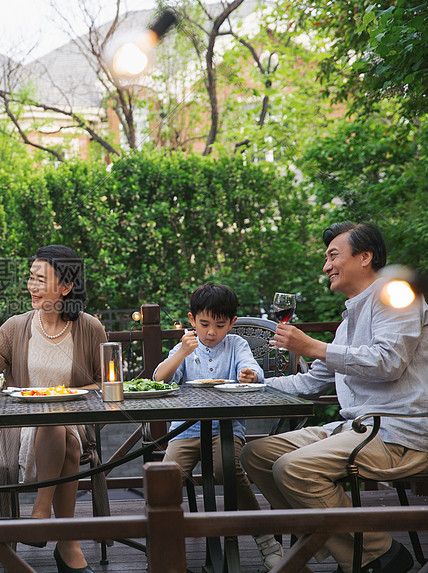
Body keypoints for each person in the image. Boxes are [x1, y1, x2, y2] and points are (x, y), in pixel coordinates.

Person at [241, 222, 428, 573]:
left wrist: (312, 346)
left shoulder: (397, 296)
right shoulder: (347, 323)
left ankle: (378, 554)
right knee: (257, 454)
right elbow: (313, 382)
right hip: (356, 428)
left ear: (364, 257)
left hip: (399, 432)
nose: (325, 266)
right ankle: (342, 546)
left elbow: (388, 363)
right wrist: (251, 387)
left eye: (332, 255)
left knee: (293, 468)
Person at [0, 245, 106, 573]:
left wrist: (64, 394)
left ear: (66, 286)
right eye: (30, 278)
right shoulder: (16, 327)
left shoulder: (89, 328)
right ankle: (66, 542)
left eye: (41, 279)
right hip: (19, 425)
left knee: (56, 420)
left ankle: (41, 516)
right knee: (53, 424)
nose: (32, 285)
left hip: (73, 420)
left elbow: (105, 382)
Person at [153, 283, 284, 570]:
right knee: (164, 479)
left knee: (227, 468)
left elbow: (252, 370)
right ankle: (164, 549)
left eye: (220, 325)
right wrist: (180, 354)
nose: (211, 332)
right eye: (204, 324)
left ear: (232, 324)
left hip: (225, 428)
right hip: (185, 430)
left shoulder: (236, 344)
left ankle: (265, 539)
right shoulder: (186, 346)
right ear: (192, 320)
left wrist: (249, 374)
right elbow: (159, 378)